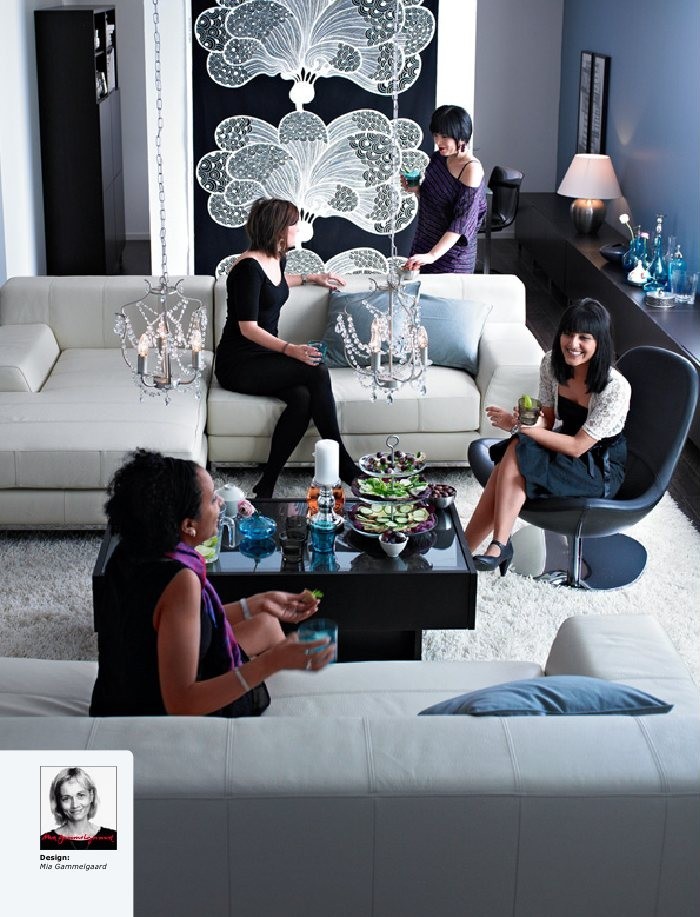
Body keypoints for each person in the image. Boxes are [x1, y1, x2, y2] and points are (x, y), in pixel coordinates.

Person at [90, 449, 335, 718]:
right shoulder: (180, 581)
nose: (219, 502)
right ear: (188, 525)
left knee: (266, 622)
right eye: (211, 499)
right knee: (270, 648)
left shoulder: (128, 553)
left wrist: (258, 603)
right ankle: (284, 707)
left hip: (125, 690)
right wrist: (270, 663)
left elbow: (172, 625)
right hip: (154, 713)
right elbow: (181, 704)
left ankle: (289, 679)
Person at [465, 298, 631, 574]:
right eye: (568, 334)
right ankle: (486, 548)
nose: (573, 344)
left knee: (515, 450)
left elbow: (578, 446)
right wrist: (522, 421)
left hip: (597, 469)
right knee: (516, 450)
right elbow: (548, 420)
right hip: (562, 447)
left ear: (599, 343)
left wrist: (522, 429)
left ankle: (474, 550)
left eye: (584, 338)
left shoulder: (615, 389)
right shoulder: (551, 364)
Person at [215, 197, 360, 497]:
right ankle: (346, 466)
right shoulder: (246, 268)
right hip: (239, 363)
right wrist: (289, 349)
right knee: (316, 370)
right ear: (279, 229)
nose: (299, 228)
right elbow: (248, 328)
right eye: (294, 223)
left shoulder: (276, 258)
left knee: (302, 398)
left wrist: (311, 278)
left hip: (264, 357)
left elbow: (276, 283)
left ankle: (266, 485)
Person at [403, 105, 487, 274]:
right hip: (425, 242)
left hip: (452, 257)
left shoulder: (471, 169)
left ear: (461, 136)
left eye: (445, 137)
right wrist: (416, 189)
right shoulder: (439, 158)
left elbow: (461, 221)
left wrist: (433, 255)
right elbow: (434, 201)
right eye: (436, 135)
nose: (438, 142)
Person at [40, 767, 117, 850]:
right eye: (66, 798)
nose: (75, 805)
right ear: (59, 802)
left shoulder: (113, 838)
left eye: (80, 795)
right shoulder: (44, 842)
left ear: (91, 796)